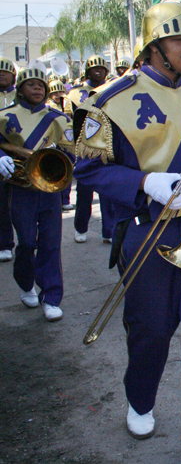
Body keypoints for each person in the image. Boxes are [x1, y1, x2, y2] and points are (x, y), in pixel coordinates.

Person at [73, 2, 181, 464]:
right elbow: (86, 170)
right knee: (150, 330)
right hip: (146, 229)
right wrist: (143, 182)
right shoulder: (108, 100)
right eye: (179, 40)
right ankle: (140, 399)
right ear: (155, 46)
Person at [0, 66, 73, 321]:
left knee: (51, 243)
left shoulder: (58, 118)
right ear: (21, 88)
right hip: (20, 189)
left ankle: (51, 296)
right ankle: (24, 281)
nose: (38, 88)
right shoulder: (5, 115)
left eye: (41, 85)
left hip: (50, 188)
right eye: (32, 84)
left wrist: (60, 153)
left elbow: (73, 150)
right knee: (27, 241)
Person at [68, 55, 115, 244]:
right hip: (85, 146)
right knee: (84, 191)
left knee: (107, 191)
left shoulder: (113, 88)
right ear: (87, 71)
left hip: (106, 144)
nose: (99, 71)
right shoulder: (75, 93)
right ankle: (80, 227)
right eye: (94, 68)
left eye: (102, 69)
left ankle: (109, 231)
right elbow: (72, 122)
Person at [46, 79, 75, 212]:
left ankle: (65, 200)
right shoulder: (47, 107)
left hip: (67, 142)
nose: (57, 95)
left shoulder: (67, 104)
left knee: (67, 171)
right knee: (55, 173)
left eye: (60, 92)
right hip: (54, 143)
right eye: (54, 93)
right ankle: (55, 201)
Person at [0, 58, 18, 262]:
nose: (1, 75)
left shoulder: (21, 95)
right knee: (1, 204)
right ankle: (5, 243)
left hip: (20, 153)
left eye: (5, 72)